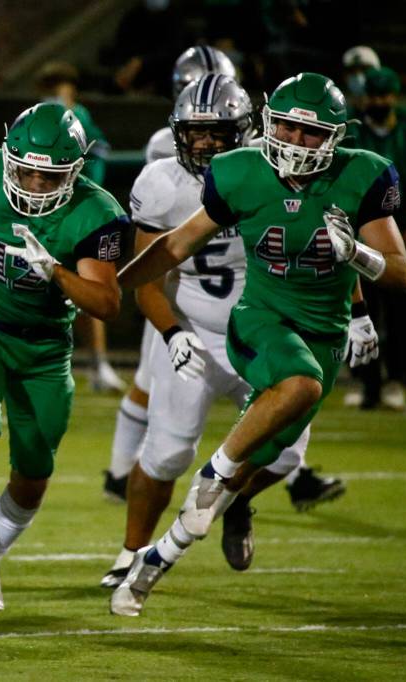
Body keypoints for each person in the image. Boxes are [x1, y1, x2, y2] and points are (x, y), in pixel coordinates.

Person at [109, 72, 406, 616]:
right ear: (269, 123)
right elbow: (177, 244)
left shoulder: (362, 176)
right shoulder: (240, 172)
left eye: (310, 133)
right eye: (288, 128)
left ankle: (158, 560)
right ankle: (211, 478)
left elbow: (401, 274)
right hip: (258, 319)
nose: (295, 142)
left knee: (278, 456)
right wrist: (109, 287)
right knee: (295, 387)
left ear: (337, 138)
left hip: (321, 331)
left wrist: (360, 267)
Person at [0, 102, 127, 610]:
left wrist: (59, 274)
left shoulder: (96, 213)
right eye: (26, 171)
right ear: (7, 158)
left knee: (35, 471)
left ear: (76, 170)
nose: (36, 185)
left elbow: (106, 303)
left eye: (50, 175)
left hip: (45, 347)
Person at [106, 44, 238, 503]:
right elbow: (161, 233)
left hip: (235, 292)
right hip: (177, 287)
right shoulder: (164, 158)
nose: (204, 138)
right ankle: (121, 472)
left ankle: (278, 473)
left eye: (217, 127)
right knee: (149, 377)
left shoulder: (257, 160)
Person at [347, 66, 406, 409]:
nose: (379, 102)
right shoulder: (353, 131)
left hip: (397, 237)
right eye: (374, 96)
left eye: (385, 96)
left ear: (394, 97)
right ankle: (370, 386)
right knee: (364, 312)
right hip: (363, 236)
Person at [34, 60, 124, 393]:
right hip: (41, 214)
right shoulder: (37, 117)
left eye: (61, 86)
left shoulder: (80, 117)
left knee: (88, 289)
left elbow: (98, 151)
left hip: (76, 215)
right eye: (49, 87)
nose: (55, 93)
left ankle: (98, 364)